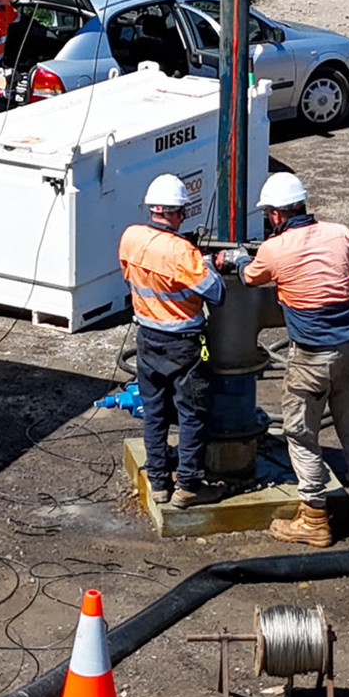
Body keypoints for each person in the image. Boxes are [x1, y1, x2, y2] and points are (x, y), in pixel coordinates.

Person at [232, 171, 349, 547]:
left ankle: (313, 517)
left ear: (277, 215)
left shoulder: (274, 249)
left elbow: (249, 279)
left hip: (311, 357)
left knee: (300, 433)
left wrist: (234, 260)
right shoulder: (340, 233)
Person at [119, 174, 225, 507]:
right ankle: (190, 485)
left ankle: (160, 482)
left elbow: (133, 275)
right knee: (192, 414)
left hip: (148, 339)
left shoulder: (131, 237)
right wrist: (208, 264)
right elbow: (217, 293)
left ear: (152, 208)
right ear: (179, 212)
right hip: (185, 345)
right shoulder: (182, 252)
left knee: (155, 413)